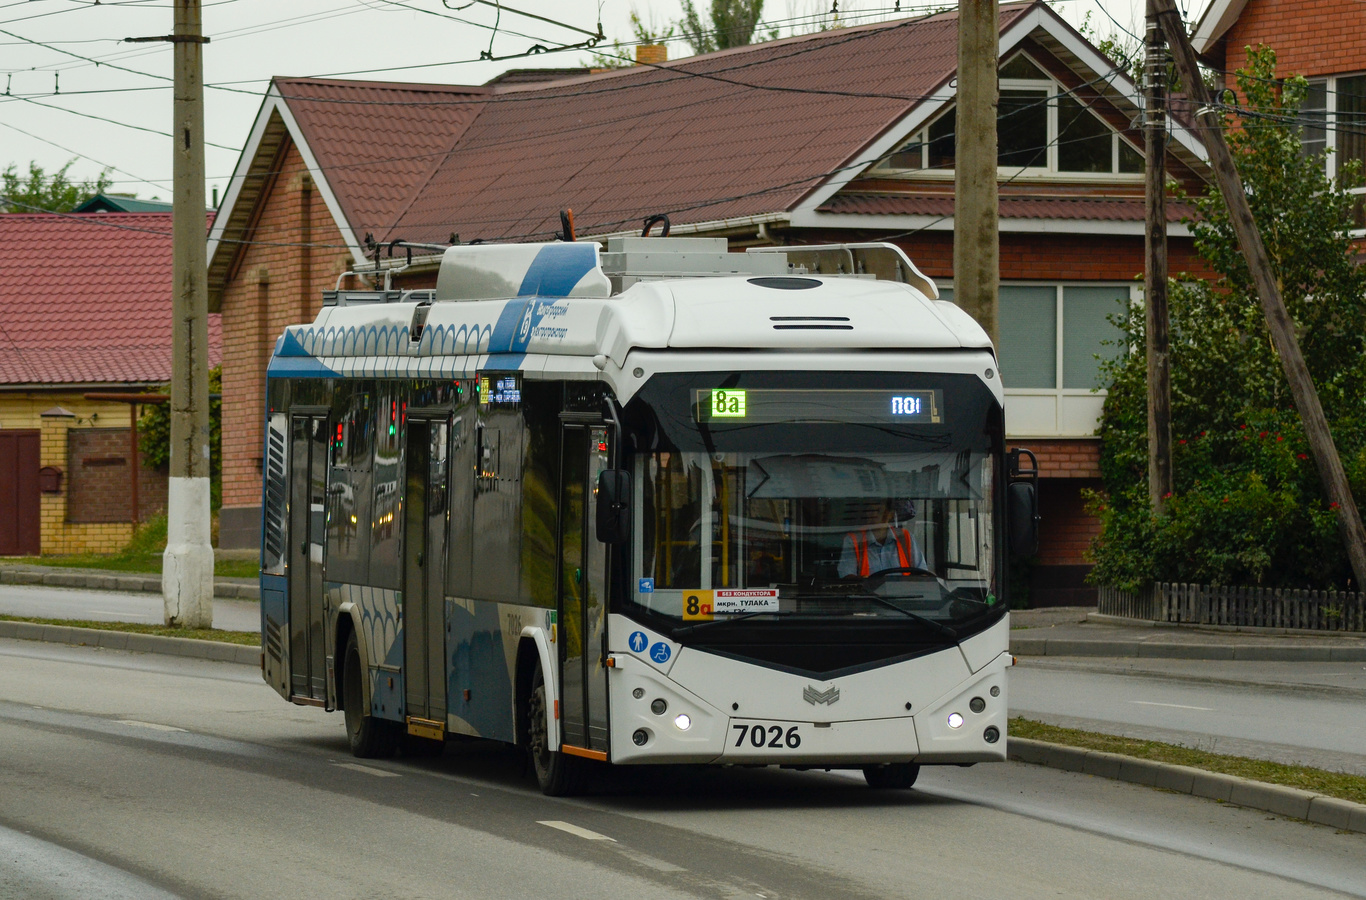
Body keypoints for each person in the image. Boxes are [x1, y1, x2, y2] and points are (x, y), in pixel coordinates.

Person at [838, 499, 927, 579]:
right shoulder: (854, 540)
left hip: (906, 595)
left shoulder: (905, 537)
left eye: (878, 510)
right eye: (870, 510)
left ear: (890, 514)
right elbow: (847, 576)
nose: (873, 515)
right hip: (868, 596)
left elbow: (922, 573)